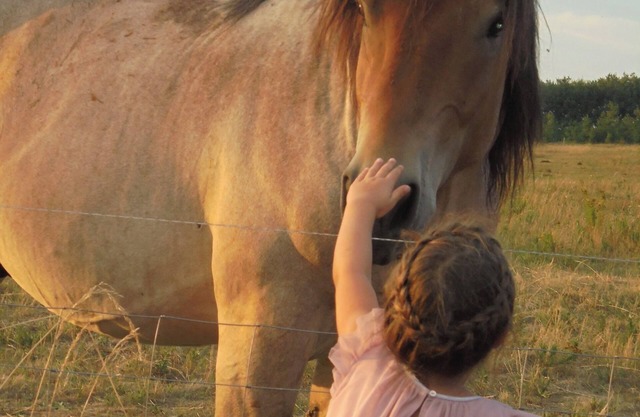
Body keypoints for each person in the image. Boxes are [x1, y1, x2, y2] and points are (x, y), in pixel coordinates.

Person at [327, 158, 538, 416]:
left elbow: (351, 273)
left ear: (397, 303)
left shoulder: (367, 362)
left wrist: (361, 204)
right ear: (501, 337)